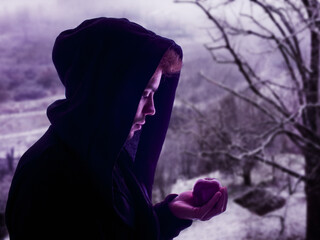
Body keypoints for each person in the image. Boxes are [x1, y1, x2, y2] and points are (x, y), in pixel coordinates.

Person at [5, 17, 227, 240]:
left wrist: (170, 215)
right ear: (105, 90)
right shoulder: (43, 179)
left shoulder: (109, 155)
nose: (152, 109)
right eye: (143, 94)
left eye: (153, 94)